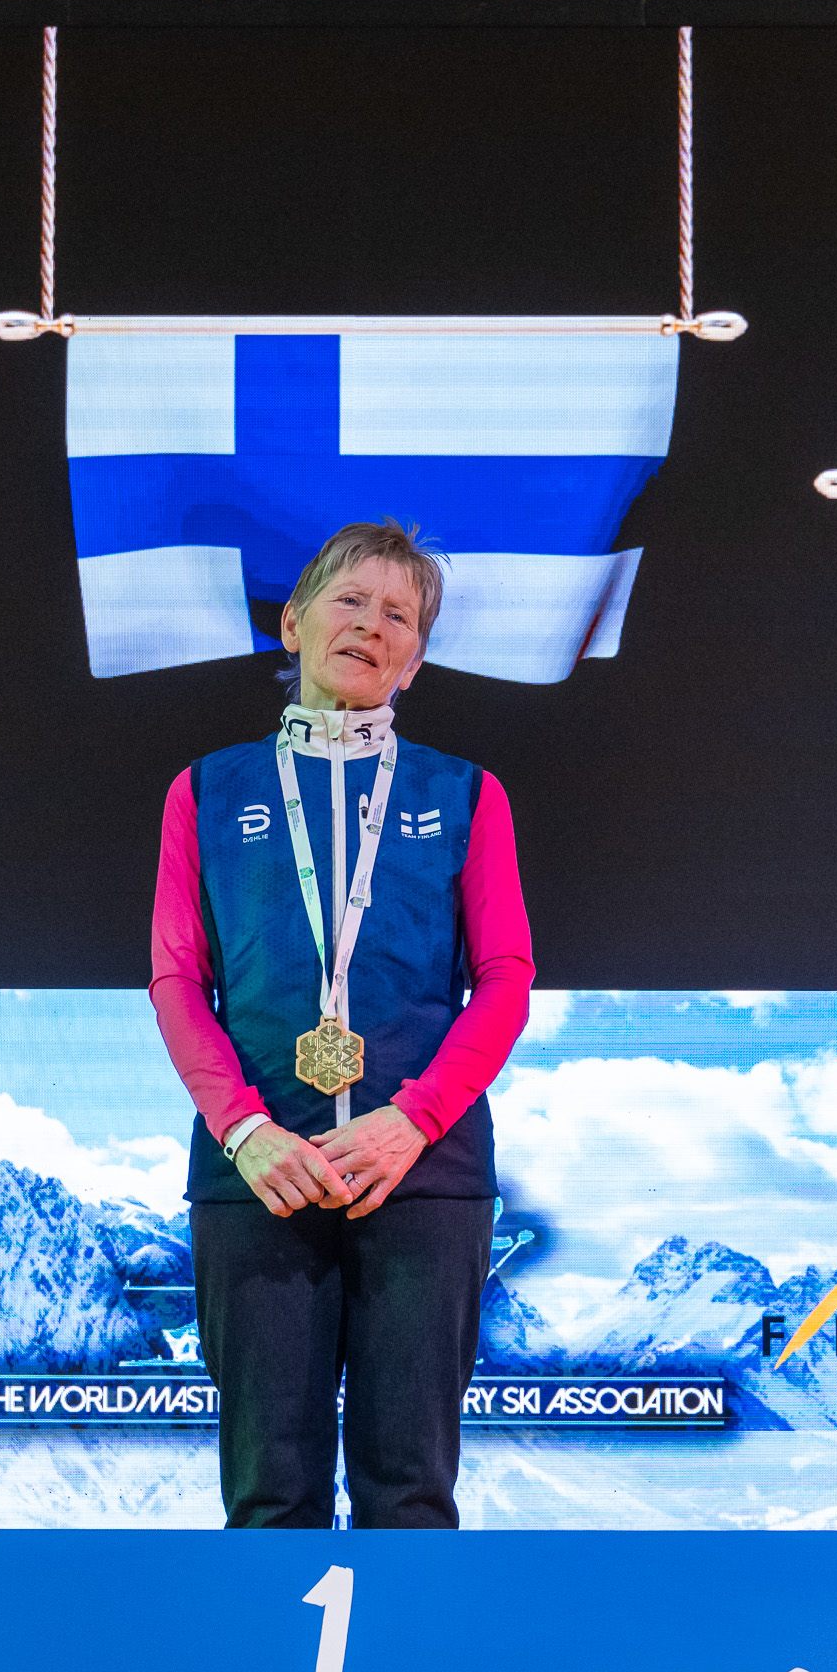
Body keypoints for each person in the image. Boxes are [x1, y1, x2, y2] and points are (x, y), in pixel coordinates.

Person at [147, 520, 535, 1529]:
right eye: (350, 600)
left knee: (410, 1492)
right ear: (293, 623)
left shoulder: (465, 793)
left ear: (415, 659)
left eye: (399, 615)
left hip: (425, 1172)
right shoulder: (206, 789)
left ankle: (408, 1650)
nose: (371, 625)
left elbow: (505, 980)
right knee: (269, 1496)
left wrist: (413, 1120)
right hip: (258, 1173)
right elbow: (177, 979)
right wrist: (244, 1129)